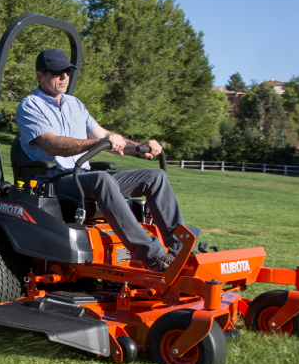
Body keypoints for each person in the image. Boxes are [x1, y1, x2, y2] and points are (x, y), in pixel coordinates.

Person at [15, 49, 183, 271]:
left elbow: (103, 135)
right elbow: (53, 144)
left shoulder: (75, 104)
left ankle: (182, 251)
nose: (64, 76)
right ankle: (153, 256)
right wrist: (99, 143)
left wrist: (139, 147)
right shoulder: (30, 106)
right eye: (57, 72)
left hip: (83, 176)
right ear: (40, 76)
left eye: (67, 71)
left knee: (155, 177)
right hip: (54, 182)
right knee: (101, 179)